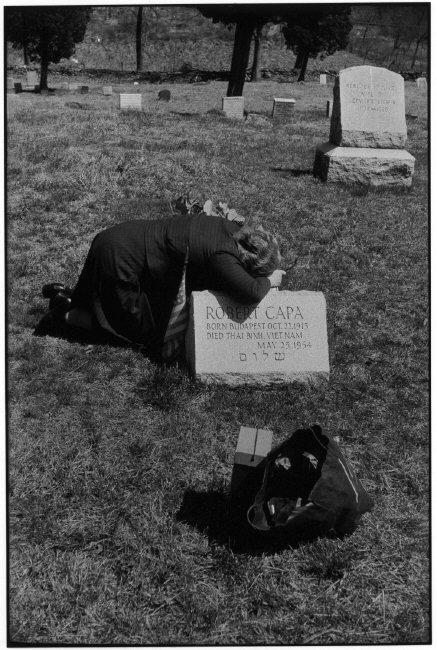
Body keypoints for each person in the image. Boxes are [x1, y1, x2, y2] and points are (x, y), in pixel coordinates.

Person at [35, 212, 285, 355]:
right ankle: (64, 317)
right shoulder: (224, 255)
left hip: (118, 239)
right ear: (250, 262)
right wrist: (269, 280)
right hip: (120, 259)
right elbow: (251, 292)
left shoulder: (229, 228)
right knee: (138, 329)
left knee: (143, 303)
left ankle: (68, 297)